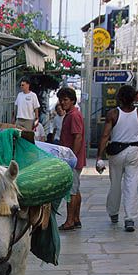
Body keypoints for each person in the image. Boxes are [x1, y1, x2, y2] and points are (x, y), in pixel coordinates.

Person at [97, 85, 138, 232]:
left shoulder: (113, 114)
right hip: (134, 151)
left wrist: (99, 156)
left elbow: (105, 136)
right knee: (131, 185)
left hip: (116, 152)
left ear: (120, 98)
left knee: (115, 184)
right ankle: (130, 218)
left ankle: (113, 213)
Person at [57, 87, 86, 231]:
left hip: (73, 160)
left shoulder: (74, 115)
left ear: (73, 100)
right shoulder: (71, 114)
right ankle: (76, 218)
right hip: (75, 159)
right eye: (61, 100)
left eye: (66, 100)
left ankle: (70, 221)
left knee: (71, 191)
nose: (62, 102)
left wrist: (71, 157)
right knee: (76, 189)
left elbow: (78, 137)